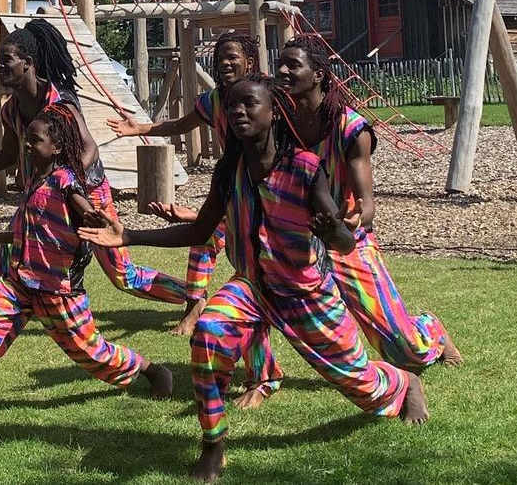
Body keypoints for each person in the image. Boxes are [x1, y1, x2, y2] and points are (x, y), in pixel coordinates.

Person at [81, 74, 427, 483]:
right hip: (252, 287)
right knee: (207, 334)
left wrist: (333, 231)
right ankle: (213, 446)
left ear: (274, 111)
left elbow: (345, 243)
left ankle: (403, 382)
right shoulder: (230, 170)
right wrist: (130, 235)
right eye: (232, 107)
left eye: (249, 104)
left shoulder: (305, 168)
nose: (238, 111)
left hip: (305, 294)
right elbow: (198, 231)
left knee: (359, 383)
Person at [0, 17, 187, 305]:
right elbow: (7, 156)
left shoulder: (60, 102)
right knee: (10, 251)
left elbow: (90, 150)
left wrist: (61, 183)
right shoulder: (10, 111)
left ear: (28, 63)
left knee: (123, 275)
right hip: (42, 192)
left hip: (86, 191)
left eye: (6, 60)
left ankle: (192, 293)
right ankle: (1, 312)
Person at [0, 108, 174, 432]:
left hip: (58, 293)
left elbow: (83, 206)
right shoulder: (34, 178)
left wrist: (93, 217)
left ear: (57, 147)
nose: (27, 147)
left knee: (93, 353)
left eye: (35, 141)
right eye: (26, 141)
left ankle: (150, 369)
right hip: (20, 284)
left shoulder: (65, 180)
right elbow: (29, 230)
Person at [108, 31, 282, 406]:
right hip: (234, 192)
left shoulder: (271, 99)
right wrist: (140, 129)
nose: (225, 62)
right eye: (220, 57)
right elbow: (181, 124)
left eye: (232, 56)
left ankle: (421, 342)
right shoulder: (214, 101)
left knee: (342, 334)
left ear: (250, 61)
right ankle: (256, 370)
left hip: (273, 207)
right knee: (240, 275)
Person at [276, 36, 461, 371]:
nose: (283, 71)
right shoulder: (279, 124)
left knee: (405, 352)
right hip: (299, 241)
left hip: (348, 239)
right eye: (280, 64)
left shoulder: (350, 128)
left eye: (293, 65)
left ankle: (431, 330)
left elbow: (366, 201)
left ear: (318, 74)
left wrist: (355, 221)